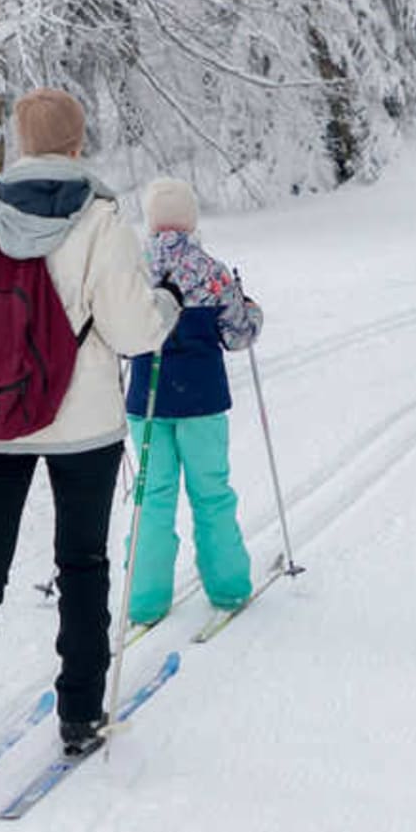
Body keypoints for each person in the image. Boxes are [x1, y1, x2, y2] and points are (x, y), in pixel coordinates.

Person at [0, 89, 178, 775]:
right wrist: (165, 306)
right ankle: (80, 713)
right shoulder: (100, 222)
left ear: (20, 143)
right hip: (82, 424)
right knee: (82, 563)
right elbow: (130, 330)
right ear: (75, 144)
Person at [123, 177, 263, 627]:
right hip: (201, 400)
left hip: (146, 402)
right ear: (191, 219)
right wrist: (250, 308)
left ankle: (144, 597)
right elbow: (240, 334)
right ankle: (228, 585)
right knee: (211, 493)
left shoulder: (133, 268)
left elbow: (120, 336)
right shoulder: (212, 270)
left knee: (152, 495)